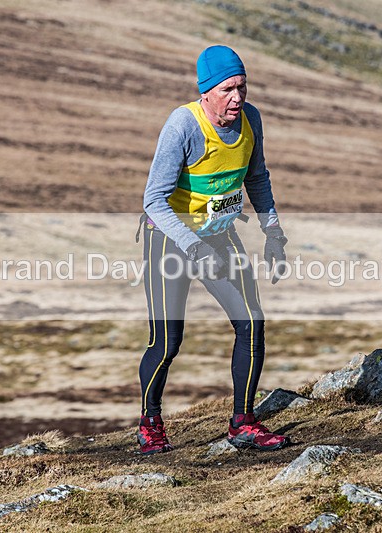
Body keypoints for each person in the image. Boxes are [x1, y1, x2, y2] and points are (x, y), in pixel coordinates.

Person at [136, 45, 290, 455]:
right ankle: (150, 423)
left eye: (242, 87)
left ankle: (242, 422)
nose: (237, 98)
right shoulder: (183, 125)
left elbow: (257, 178)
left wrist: (273, 232)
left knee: (251, 323)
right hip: (169, 237)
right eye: (227, 90)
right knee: (168, 341)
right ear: (205, 91)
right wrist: (193, 246)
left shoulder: (250, 119)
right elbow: (153, 200)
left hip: (219, 234)